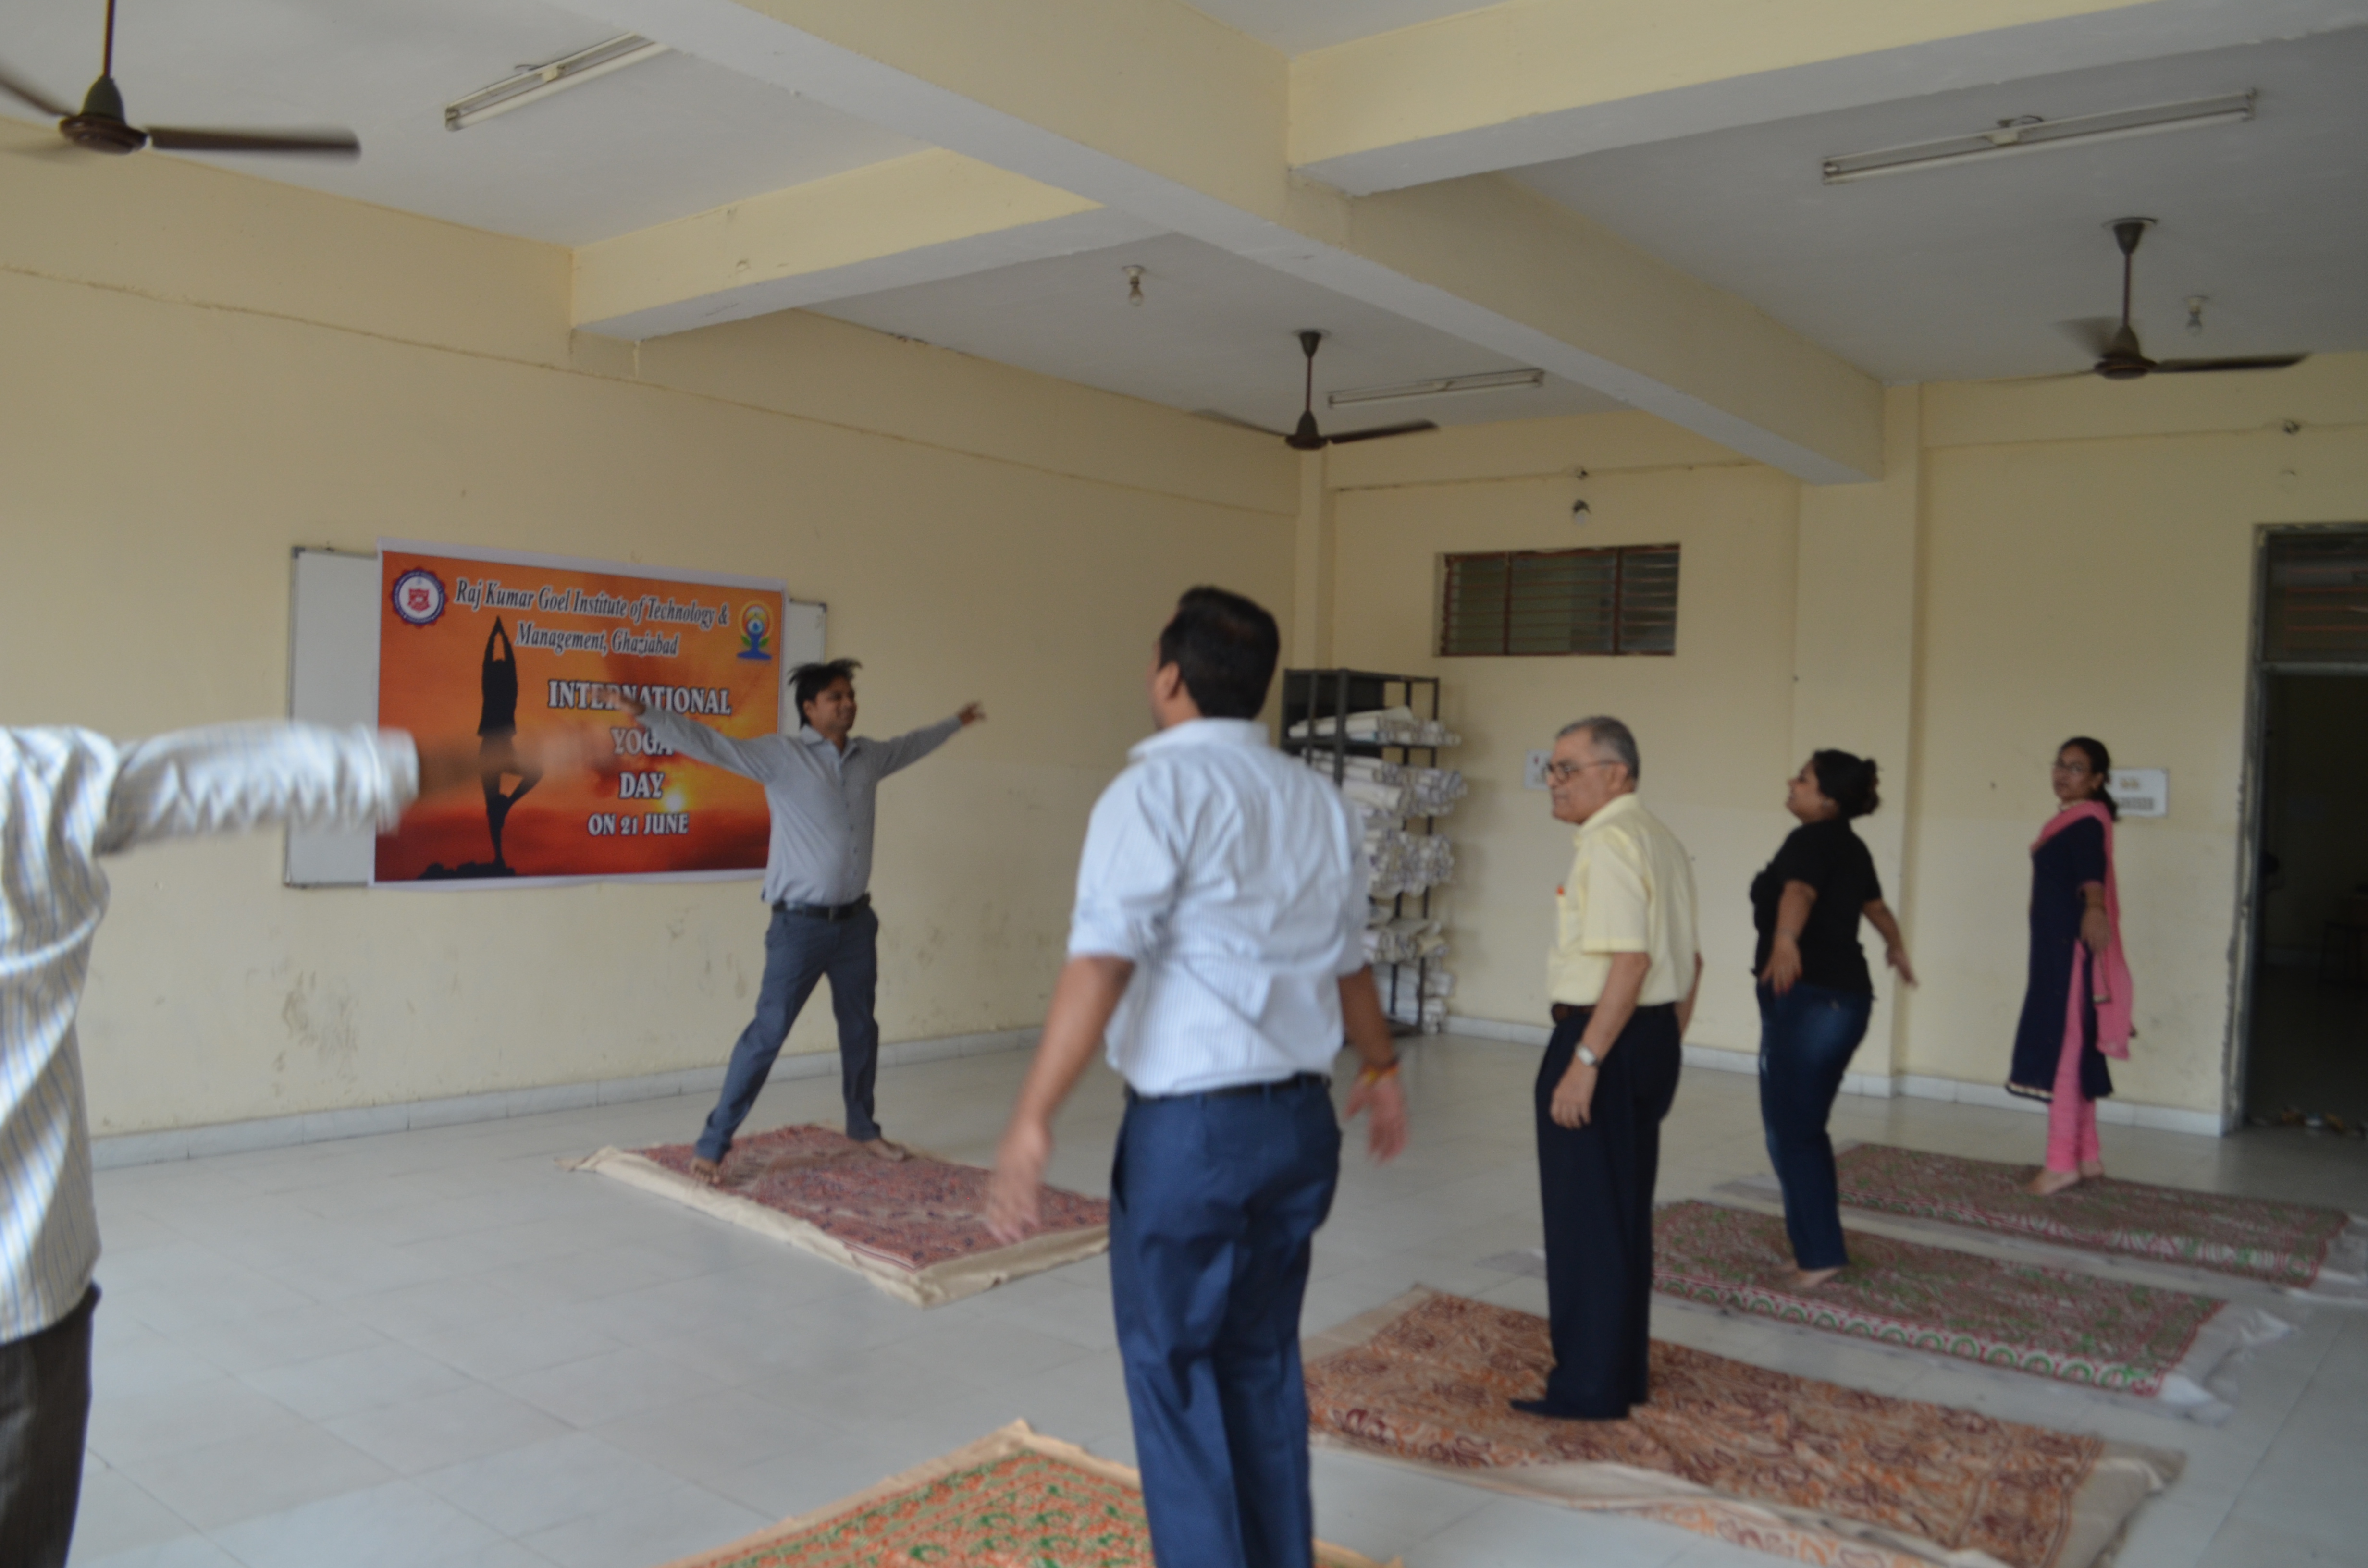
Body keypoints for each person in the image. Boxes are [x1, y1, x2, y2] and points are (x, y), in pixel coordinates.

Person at [0, 719, 518, 1568]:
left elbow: (266, 775)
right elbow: (261, 774)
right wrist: (496, 752)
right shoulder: (23, 781)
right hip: (20, 1312)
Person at [983, 587, 1406, 1568]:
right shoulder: (1316, 799)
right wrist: (1381, 1065)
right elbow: (1350, 959)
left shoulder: (1151, 792)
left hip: (1193, 1135)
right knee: (1258, 1358)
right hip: (1298, 1127)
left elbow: (1102, 961)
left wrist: (1032, 1116)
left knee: (1173, 1369)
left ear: (1170, 677)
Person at [613, 661, 983, 1180]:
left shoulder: (868, 757)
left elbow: (911, 745)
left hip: (856, 925)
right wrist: (647, 714)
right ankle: (713, 1146)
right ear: (810, 708)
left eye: (850, 695)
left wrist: (955, 723)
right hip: (799, 929)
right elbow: (711, 744)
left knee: (861, 1029)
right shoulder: (781, 757)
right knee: (767, 1035)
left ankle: (863, 1127)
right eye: (836, 697)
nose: (848, 704)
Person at [1519, 716, 1700, 1422]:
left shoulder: (1609, 843)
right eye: (1551, 768)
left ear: (1616, 774)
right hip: (1645, 1036)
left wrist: (1589, 1059)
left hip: (1601, 1036)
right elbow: (1691, 962)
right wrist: (1660, 1042)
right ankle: (1620, 1376)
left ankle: (1588, 1388)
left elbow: (1631, 960)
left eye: (1568, 768)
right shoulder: (1659, 837)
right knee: (1621, 1214)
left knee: (1585, 1221)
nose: (1553, 782)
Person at [1751, 751, 1916, 1288]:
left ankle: (1819, 1254)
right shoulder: (1849, 844)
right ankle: (1813, 1246)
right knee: (1799, 1129)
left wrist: (1785, 940)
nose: (1791, 782)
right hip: (1844, 1001)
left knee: (1792, 1132)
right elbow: (1876, 908)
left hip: (1811, 999)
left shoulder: (1809, 841)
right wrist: (1895, 947)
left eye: (1803, 779)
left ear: (1828, 799)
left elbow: (1798, 890)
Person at [2007, 736, 2134, 1196]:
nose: (2063, 774)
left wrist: (2095, 908)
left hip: (2069, 954)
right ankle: (2087, 1155)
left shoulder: (2085, 822)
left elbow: (2091, 873)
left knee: (2063, 1049)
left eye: (2076, 768)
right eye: (2060, 765)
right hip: (2055, 948)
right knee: (2076, 1050)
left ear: (2097, 779)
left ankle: (2061, 1162)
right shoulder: (2074, 818)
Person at [477, 618, 541, 869]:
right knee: (492, 806)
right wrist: (503, 638)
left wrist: (495, 637)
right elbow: (502, 665)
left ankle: (506, 805)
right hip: (497, 749)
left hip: (495, 749)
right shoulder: (506, 691)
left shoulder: (498, 689)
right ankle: (499, 857)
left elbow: (492, 664)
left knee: (495, 805)